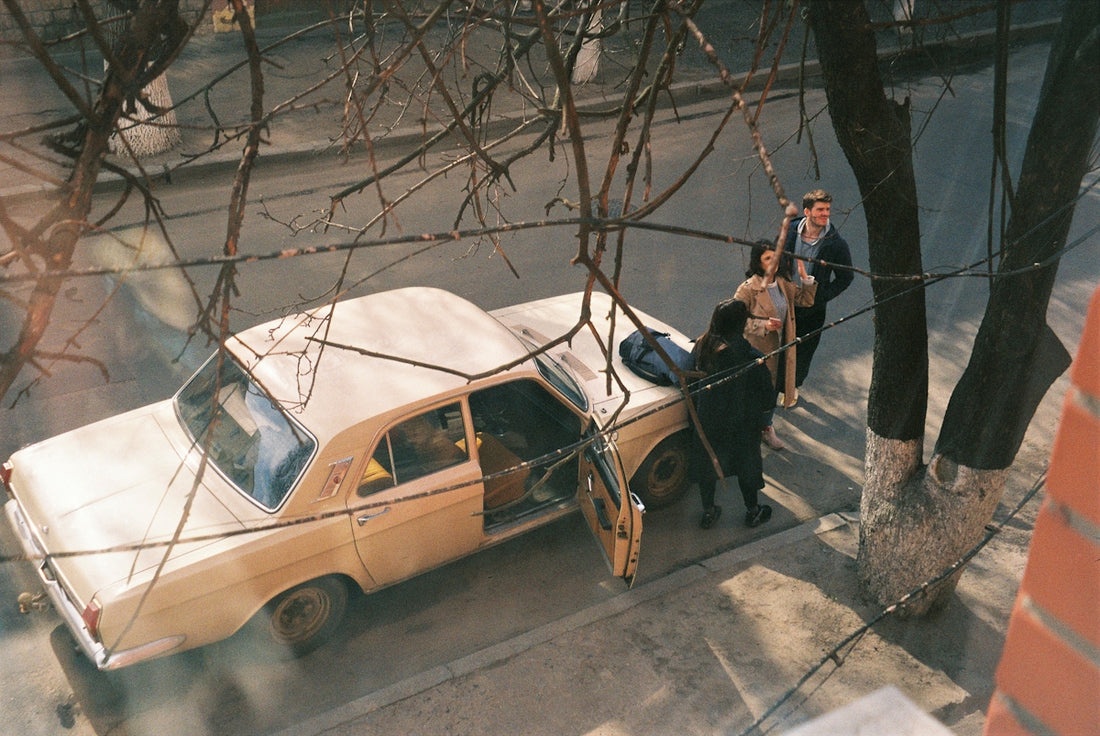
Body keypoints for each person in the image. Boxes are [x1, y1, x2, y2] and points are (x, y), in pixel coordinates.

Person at [690, 299, 775, 529]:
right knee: (746, 468)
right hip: (742, 426)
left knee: (709, 467)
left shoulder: (701, 346)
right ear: (741, 325)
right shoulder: (752, 359)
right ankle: (753, 511)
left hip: (708, 422)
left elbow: (689, 383)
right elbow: (768, 397)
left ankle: (708, 511)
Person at [735, 240, 817, 450]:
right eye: (767, 259)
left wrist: (805, 278)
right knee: (754, 394)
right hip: (758, 352)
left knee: (773, 392)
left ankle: (766, 428)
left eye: (775, 257)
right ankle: (746, 433)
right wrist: (763, 325)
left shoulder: (783, 283)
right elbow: (736, 322)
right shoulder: (748, 289)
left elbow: (805, 301)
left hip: (782, 351)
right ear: (758, 262)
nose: (773, 262)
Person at [783, 189, 854, 388]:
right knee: (778, 345)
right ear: (807, 212)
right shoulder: (790, 229)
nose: (825, 214)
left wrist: (820, 296)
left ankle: (791, 387)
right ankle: (774, 382)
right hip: (784, 301)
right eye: (820, 209)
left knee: (802, 351)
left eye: (827, 209)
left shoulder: (836, 244)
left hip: (811, 309)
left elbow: (846, 277)